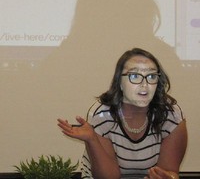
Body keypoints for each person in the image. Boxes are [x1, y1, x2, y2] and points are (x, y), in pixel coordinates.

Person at [57, 48, 187, 179]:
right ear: (119, 82)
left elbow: (169, 172)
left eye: (151, 76)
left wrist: (168, 177)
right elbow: (108, 177)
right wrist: (92, 139)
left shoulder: (171, 114)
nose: (144, 84)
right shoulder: (102, 114)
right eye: (134, 76)